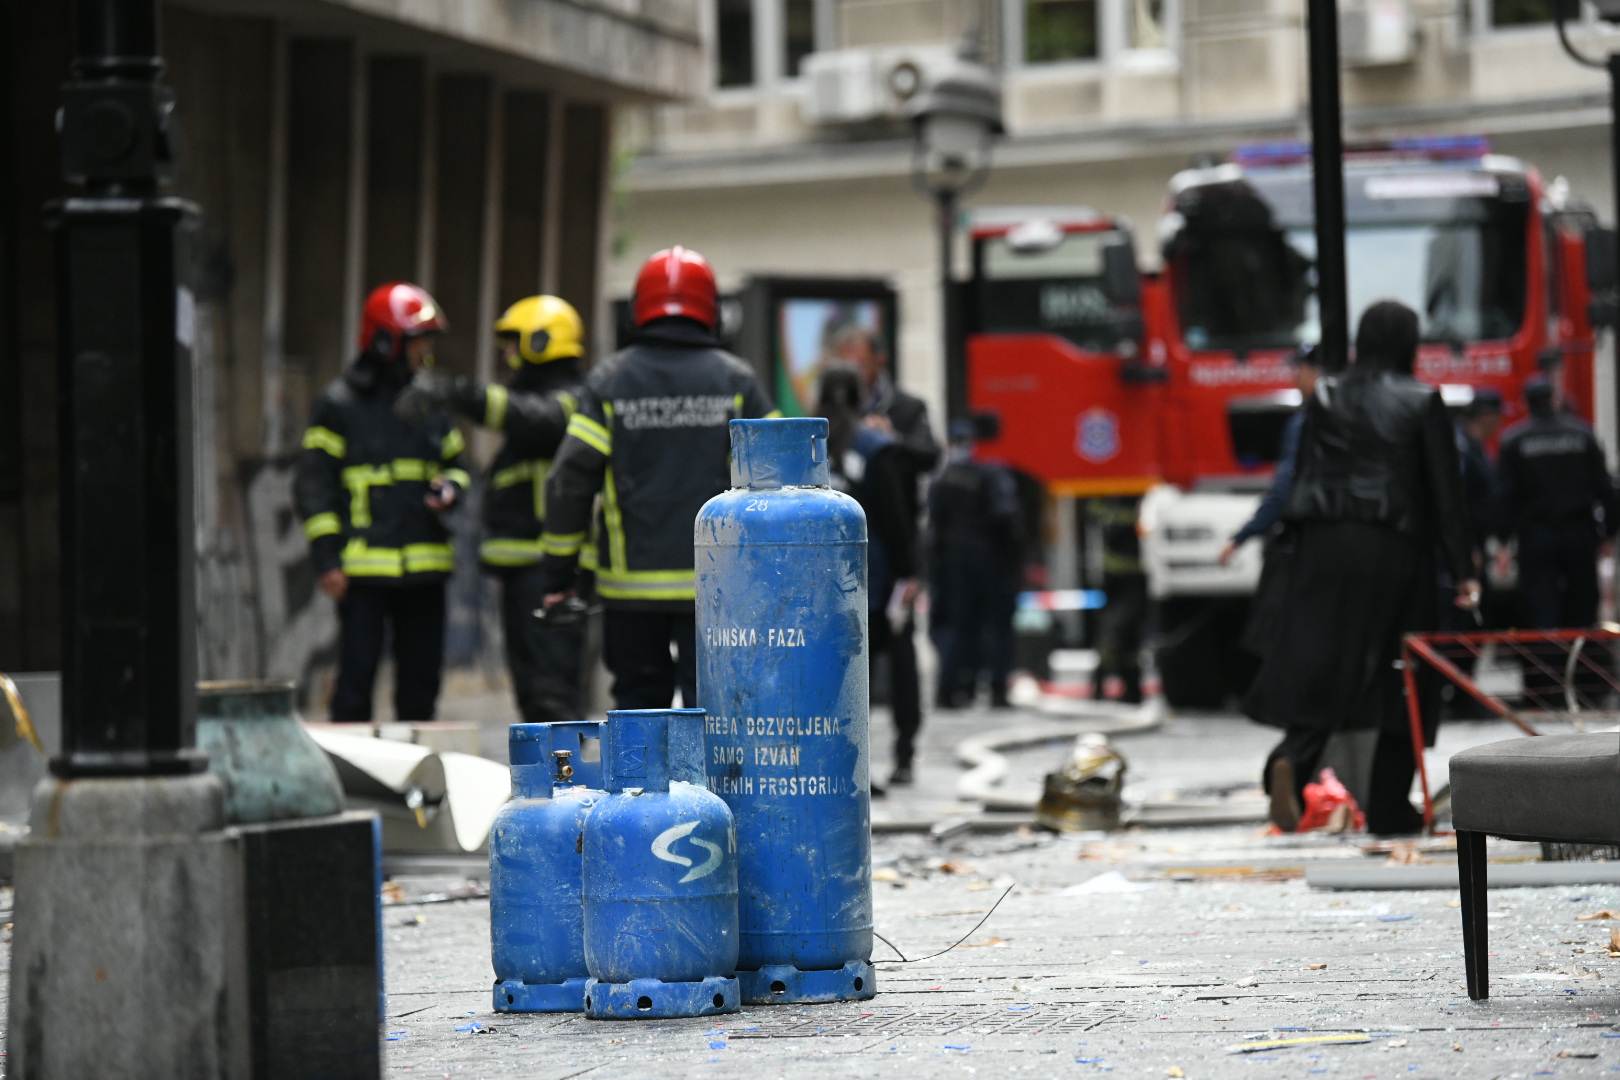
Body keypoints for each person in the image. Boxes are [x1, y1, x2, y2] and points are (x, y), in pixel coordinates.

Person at [1250, 300, 1477, 835]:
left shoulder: (1326, 395)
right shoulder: (1422, 400)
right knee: (1407, 670)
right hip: (1393, 544)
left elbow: (1304, 472)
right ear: (1409, 342)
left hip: (1325, 543)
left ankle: (1293, 758)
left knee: (1326, 662)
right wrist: (1463, 565)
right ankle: (1388, 804)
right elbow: (1445, 493)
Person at [538, 247, 776, 709]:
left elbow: (568, 482)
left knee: (639, 707)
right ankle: (710, 785)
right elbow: (780, 475)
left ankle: (640, 785)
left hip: (631, 592)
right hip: (719, 586)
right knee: (716, 707)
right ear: (712, 312)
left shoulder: (610, 382)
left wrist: (560, 575)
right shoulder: (737, 383)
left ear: (638, 311)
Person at [295, 282, 470, 722]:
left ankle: (419, 783)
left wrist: (452, 487)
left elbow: (458, 464)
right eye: (419, 340)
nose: (426, 350)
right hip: (363, 571)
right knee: (355, 682)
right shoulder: (339, 405)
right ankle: (353, 780)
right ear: (386, 340)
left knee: (421, 686)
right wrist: (326, 558)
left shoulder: (429, 402)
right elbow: (315, 484)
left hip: (425, 568)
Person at [445, 295, 589, 724]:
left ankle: (567, 785)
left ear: (542, 342)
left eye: (514, 343)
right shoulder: (543, 400)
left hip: (553, 569)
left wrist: (461, 394)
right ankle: (547, 785)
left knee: (553, 691)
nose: (507, 355)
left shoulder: (574, 398)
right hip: (526, 567)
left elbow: (539, 418)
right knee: (532, 689)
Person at [818, 363, 922, 786]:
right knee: (899, 666)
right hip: (875, 579)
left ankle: (841, 766)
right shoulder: (875, 447)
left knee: (833, 678)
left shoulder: (806, 450)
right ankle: (902, 756)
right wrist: (909, 571)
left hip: (821, 586)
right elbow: (896, 519)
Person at [1497, 376, 1618, 631]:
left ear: (1524, 403)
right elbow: (1605, 487)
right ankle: (1584, 665)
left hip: (1536, 536)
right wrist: (1609, 531)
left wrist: (1503, 540)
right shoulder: (1582, 434)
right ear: (1555, 399)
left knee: (1540, 606)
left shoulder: (1514, 440)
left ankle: (1546, 666)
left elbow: (1504, 496)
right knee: (1584, 604)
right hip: (1580, 532)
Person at [930, 418, 1023, 709]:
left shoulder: (944, 476)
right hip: (990, 559)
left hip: (954, 561)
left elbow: (935, 525)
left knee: (959, 625)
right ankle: (996, 689)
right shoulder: (993, 473)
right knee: (997, 626)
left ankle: (954, 688)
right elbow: (1006, 517)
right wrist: (1014, 556)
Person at [1220, 346, 1320, 566]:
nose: (1295, 379)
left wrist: (1242, 536)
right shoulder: (1352, 415)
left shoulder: (1304, 423)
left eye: (1298, 371)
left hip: (1312, 541)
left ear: (1315, 374)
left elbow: (1284, 486)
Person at [1088, 496, 1147, 704]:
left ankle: (1116, 686)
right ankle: (1113, 687)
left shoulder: (1136, 497)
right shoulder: (1108, 495)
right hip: (1114, 579)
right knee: (1118, 633)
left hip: (1134, 578)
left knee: (1120, 633)